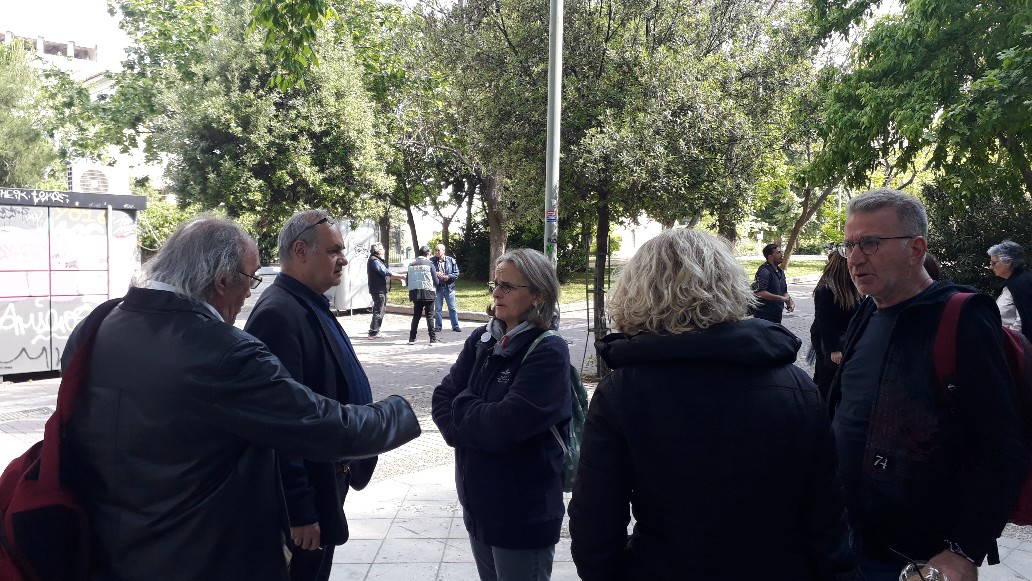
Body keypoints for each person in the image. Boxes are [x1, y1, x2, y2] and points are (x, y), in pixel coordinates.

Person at [61, 217, 420, 581]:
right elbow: (319, 425)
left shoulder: (99, 323)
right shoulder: (223, 352)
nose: (250, 293)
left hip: (106, 550)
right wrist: (397, 413)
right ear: (221, 280)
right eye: (250, 279)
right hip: (198, 555)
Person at [568, 229, 855, 581]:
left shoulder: (622, 392)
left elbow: (595, 523)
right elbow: (827, 515)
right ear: (729, 285)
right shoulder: (796, 387)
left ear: (639, 291)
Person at [828, 189, 1028, 581]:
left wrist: (964, 550)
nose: (854, 259)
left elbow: (1003, 446)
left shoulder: (963, 316)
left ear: (916, 249)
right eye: (849, 245)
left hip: (917, 560)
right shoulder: (867, 311)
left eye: (870, 243)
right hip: (846, 539)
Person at [245, 210, 387, 581]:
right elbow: (281, 424)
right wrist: (300, 511)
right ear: (300, 251)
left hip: (329, 478)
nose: (343, 259)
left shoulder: (306, 302)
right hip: (309, 493)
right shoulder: (279, 314)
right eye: (334, 250)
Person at [431, 248, 571, 581]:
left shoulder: (548, 350)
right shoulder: (482, 339)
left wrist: (464, 404)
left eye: (507, 286)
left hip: (522, 514)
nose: (496, 293)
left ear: (537, 295)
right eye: (495, 284)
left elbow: (504, 425)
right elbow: (440, 401)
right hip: (478, 507)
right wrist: (475, 415)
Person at [809, 251, 861, 400]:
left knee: (830, 377)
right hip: (830, 341)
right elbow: (825, 322)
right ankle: (821, 407)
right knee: (826, 378)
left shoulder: (849, 286)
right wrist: (834, 349)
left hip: (843, 339)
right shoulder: (826, 289)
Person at [988, 240, 1032, 341]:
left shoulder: (1022, 284)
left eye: (994, 263)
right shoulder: (1011, 284)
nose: (990, 267)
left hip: (1016, 345)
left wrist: (1006, 340)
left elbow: (1023, 321)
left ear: (1008, 262)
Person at [365, 241, 405, 340]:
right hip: (378, 289)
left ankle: (375, 331)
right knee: (379, 310)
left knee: (380, 310)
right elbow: (384, 272)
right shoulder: (375, 261)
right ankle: (373, 333)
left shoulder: (376, 260)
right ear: (377, 251)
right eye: (382, 249)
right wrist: (400, 276)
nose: (384, 250)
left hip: (380, 289)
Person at [753, 242, 794, 323]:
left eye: (781, 252)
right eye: (778, 253)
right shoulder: (764, 271)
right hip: (764, 316)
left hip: (777, 315)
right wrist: (781, 298)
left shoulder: (780, 271)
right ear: (770, 256)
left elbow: (784, 292)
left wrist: (789, 302)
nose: (781, 255)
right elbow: (760, 293)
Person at [407, 245, 439, 344]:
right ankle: (432, 339)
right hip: (428, 293)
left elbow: (408, 280)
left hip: (415, 293)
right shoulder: (430, 264)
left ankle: (412, 338)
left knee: (416, 316)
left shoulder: (411, 264)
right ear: (427, 253)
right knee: (429, 316)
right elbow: (436, 281)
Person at [432, 243, 462, 332]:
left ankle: (455, 326)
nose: (437, 252)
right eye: (435, 250)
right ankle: (438, 326)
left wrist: (448, 277)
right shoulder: (432, 261)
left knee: (452, 307)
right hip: (438, 287)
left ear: (443, 251)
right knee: (438, 308)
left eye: (438, 250)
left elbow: (456, 273)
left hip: (449, 287)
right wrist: (436, 273)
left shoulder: (451, 260)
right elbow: (428, 271)